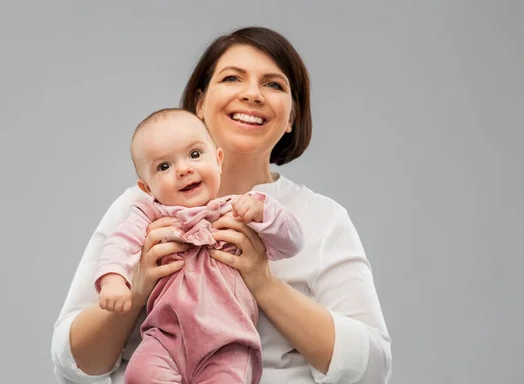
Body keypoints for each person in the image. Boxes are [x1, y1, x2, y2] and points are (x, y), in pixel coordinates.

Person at [51, 26, 392, 384]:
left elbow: (372, 369)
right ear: (200, 102)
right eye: (232, 78)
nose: (252, 94)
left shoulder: (321, 219)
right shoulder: (140, 206)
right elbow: (72, 364)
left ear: (291, 116)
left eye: (274, 85)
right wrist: (136, 291)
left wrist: (265, 284)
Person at [95, 108, 303, 383]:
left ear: (218, 160)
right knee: (139, 373)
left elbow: (291, 243)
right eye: (164, 167)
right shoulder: (149, 216)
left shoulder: (239, 209)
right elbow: (120, 243)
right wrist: (113, 280)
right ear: (147, 188)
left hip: (228, 342)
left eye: (195, 155)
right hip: (164, 337)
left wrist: (264, 214)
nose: (184, 170)